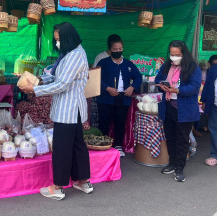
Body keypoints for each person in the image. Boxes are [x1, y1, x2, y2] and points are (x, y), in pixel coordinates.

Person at [20, 22, 92, 200]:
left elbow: (62, 84)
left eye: (59, 40)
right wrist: (38, 79)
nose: (57, 43)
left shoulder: (75, 55)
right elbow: (55, 75)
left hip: (68, 109)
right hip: (70, 109)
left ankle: (57, 187)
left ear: (68, 38)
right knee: (77, 145)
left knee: (62, 147)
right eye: (56, 39)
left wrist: (35, 90)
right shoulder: (69, 53)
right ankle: (83, 181)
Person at [155, 40, 201, 182]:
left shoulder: (192, 67)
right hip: (168, 106)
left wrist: (178, 90)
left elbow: (194, 87)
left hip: (184, 109)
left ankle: (180, 168)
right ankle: (172, 163)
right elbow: (158, 79)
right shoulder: (167, 65)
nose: (174, 57)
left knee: (182, 139)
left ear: (184, 54)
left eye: (177, 54)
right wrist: (161, 86)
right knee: (170, 137)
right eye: (172, 54)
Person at [97, 34, 142, 157]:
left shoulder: (128, 64)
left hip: (123, 98)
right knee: (104, 123)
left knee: (120, 123)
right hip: (105, 99)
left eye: (120, 49)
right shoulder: (103, 62)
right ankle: (101, 145)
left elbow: (138, 77)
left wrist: (132, 87)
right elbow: (96, 78)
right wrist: (107, 88)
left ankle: (118, 146)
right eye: (115, 49)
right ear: (110, 50)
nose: (118, 51)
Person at [201, 54, 217, 166]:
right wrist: (204, 101)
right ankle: (214, 155)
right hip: (214, 105)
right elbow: (207, 86)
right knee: (214, 130)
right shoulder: (213, 70)